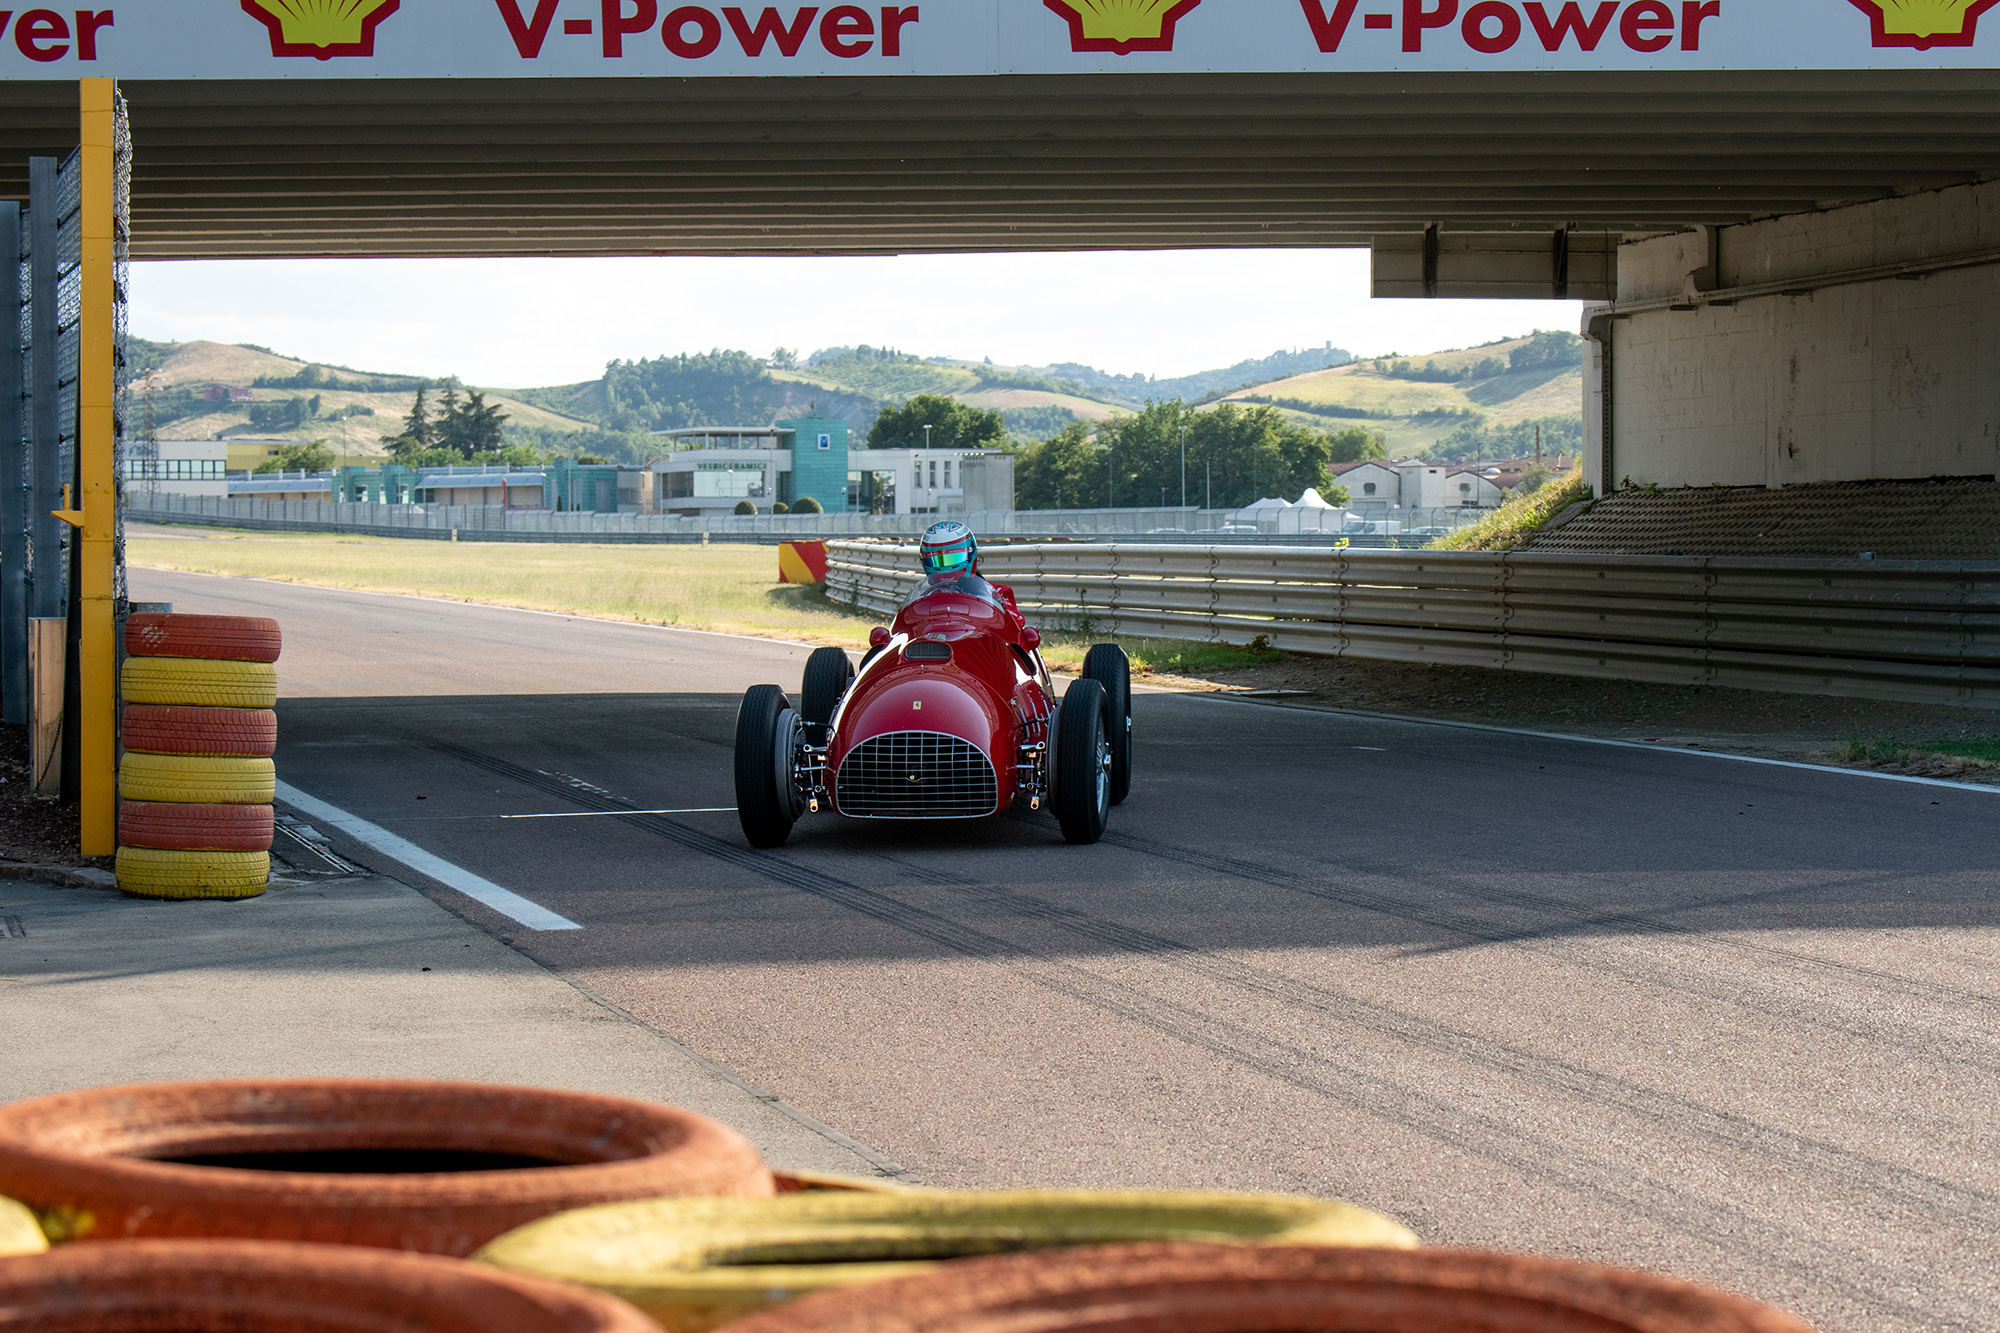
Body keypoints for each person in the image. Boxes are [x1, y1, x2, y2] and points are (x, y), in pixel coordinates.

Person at [914, 520, 1026, 633]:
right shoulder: (923, 600)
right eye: (937, 561)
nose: (946, 568)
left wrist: (981, 595)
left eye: (954, 558)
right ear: (925, 561)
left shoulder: (997, 592)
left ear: (971, 555)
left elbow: (1016, 625)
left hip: (980, 647)